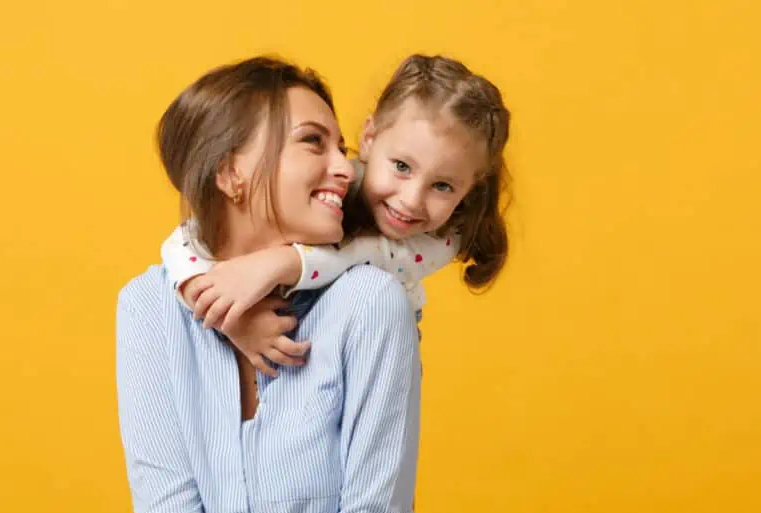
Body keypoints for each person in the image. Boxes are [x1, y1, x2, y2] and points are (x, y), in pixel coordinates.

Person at [116, 57, 421, 513]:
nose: (347, 170)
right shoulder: (149, 306)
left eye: (342, 147)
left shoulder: (371, 301)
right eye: (312, 142)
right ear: (231, 172)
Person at [161, 54, 512, 375]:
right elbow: (183, 242)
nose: (411, 200)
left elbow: (371, 256)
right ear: (370, 137)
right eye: (402, 166)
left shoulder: (444, 236)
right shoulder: (341, 182)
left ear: (470, 189)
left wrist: (280, 263)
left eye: (443, 186)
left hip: (368, 349)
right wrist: (230, 319)